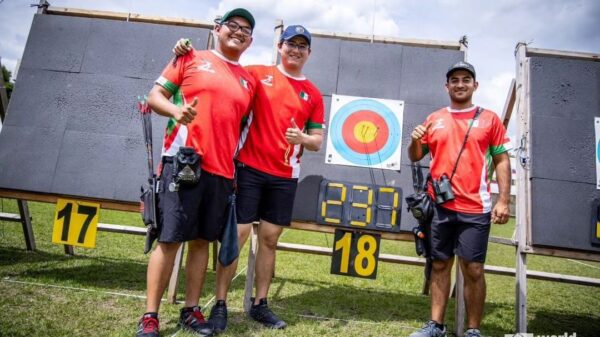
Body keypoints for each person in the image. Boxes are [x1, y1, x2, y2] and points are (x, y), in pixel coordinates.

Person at [172, 24, 324, 332]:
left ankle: (260, 305)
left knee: (269, 239)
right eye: (290, 44)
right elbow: (221, 73)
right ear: (279, 46)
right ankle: (220, 304)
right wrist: (184, 53)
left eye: (302, 46)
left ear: (309, 53)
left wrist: (303, 139)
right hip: (248, 169)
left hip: (284, 175)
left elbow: (317, 140)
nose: (295, 50)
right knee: (236, 236)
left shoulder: (314, 93)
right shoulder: (254, 74)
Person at [135, 8, 257, 337]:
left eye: (246, 29)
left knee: (202, 242)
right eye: (233, 25)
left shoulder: (249, 80)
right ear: (217, 29)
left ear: (251, 40)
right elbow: (154, 96)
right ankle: (150, 316)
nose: (239, 32)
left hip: (221, 172)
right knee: (170, 240)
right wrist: (177, 110)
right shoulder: (189, 57)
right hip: (183, 163)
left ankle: (191, 309)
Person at [407, 61, 511, 337]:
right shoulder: (434, 118)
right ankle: (435, 326)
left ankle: (473, 330)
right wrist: (415, 139)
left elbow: (501, 159)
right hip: (440, 208)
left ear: (475, 85)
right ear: (447, 86)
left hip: (475, 208)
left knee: (474, 268)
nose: (460, 84)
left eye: (466, 79)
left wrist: (503, 200)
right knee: (439, 264)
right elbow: (415, 156)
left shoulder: (489, 119)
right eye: (455, 80)